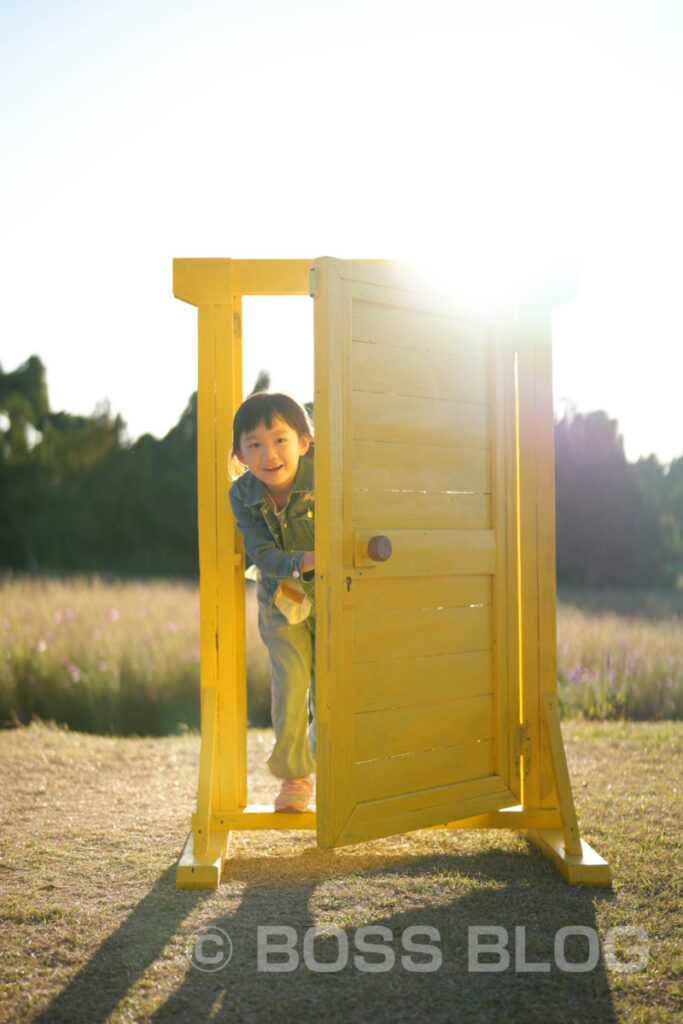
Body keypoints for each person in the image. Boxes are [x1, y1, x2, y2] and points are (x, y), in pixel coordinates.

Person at [229, 391, 316, 813]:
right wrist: (309, 560)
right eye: (255, 444)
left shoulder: (325, 478)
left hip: (336, 591)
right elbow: (262, 554)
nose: (270, 453)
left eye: (280, 439)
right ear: (241, 454)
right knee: (291, 679)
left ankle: (325, 760)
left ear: (304, 441)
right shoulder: (241, 494)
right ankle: (295, 777)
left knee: (334, 683)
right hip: (280, 595)